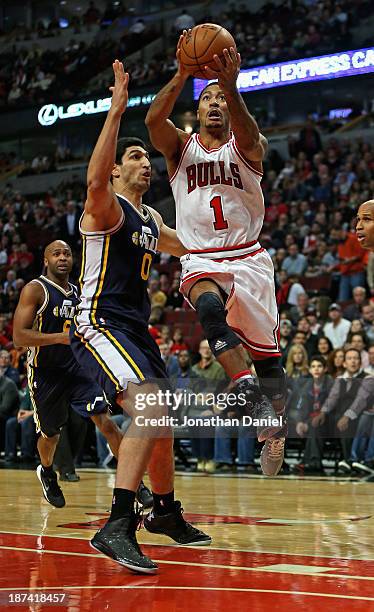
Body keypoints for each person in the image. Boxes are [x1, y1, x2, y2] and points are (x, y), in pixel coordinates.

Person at [70, 60, 210, 574]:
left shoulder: (149, 218)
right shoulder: (106, 208)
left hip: (135, 328)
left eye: (146, 157)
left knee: (163, 421)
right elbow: (91, 179)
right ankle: (117, 525)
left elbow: (190, 245)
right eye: (134, 156)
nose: (144, 163)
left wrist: (242, 247)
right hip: (98, 321)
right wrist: (115, 113)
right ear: (115, 170)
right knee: (149, 406)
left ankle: (167, 512)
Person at [145, 32, 285, 478]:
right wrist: (184, 72)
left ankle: (273, 424)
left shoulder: (246, 143)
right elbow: (152, 121)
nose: (215, 104)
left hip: (249, 257)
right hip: (202, 258)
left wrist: (232, 86)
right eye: (208, 99)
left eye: (220, 99)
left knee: (269, 360)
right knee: (207, 309)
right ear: (197, 110)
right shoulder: (180, 150)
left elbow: (249, 133)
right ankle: (245, 388)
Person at [12, 240, 151, 509]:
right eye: (56, 254)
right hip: (46, 372)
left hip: (79, 369)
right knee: (50, 435)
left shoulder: (80, 293)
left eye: (66, 253)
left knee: (106, 423)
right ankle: (48, 472)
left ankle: (135, 484)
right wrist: (61, 338)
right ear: (46, 260)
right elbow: (19, 336)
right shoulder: (35, 290)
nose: (62, 258)